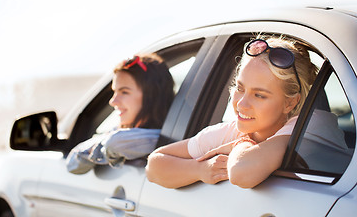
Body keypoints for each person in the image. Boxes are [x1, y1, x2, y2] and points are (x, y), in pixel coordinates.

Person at [146, 35, 348, 189]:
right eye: (240, 88)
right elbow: (154, 166)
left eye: (259, 95)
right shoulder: (233, 129)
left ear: (290, 103)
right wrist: (201, 169)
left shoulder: (313, 125)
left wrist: (242, 142)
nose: (241, 104)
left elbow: (242, 173)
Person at [66, 53, 175, 174]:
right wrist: (105, 144)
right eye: (115, 92)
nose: (113, 101)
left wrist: (100, 147)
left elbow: (116, 143)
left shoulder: (172, 138)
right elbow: (73, 163)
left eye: (124, 92)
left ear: (152, 96)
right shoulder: (120, 133)